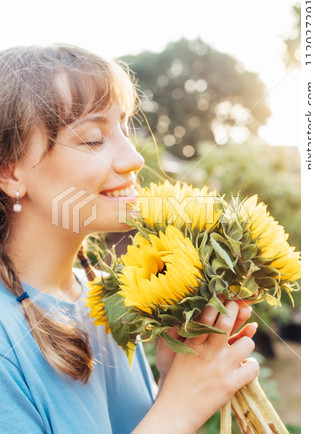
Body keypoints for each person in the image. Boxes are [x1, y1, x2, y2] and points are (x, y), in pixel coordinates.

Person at [0, 44, 259, 433]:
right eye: (92, 139)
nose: (134, 158)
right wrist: (178, 409)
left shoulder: (105, 301)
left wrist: (176, 383)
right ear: (11, 173)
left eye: (124, 126)